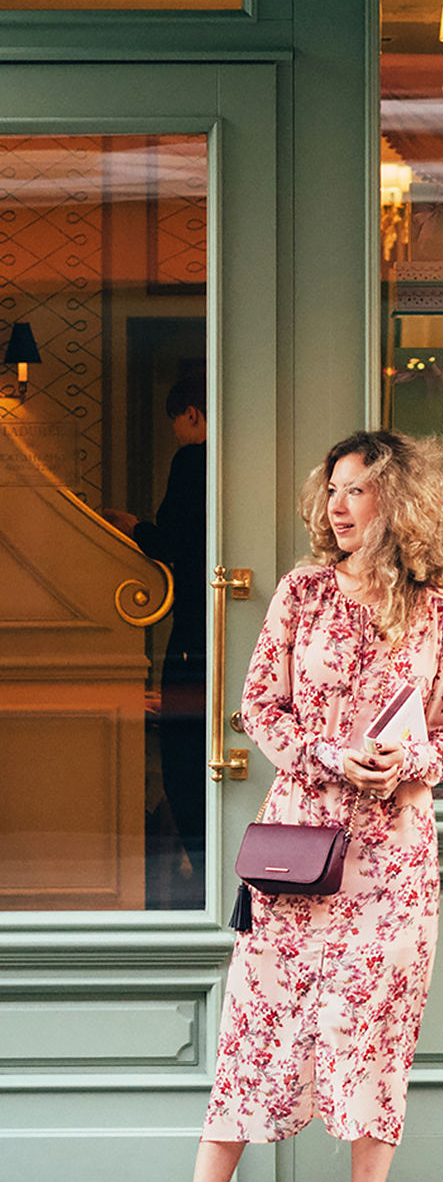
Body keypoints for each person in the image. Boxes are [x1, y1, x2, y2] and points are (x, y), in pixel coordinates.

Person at [169, 430, 443, 1182]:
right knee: (256, 1030)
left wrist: (409, 766)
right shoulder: (301, 595)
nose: (337, 507)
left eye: (357, 491)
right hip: (300, 852)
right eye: (332, 490)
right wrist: (334, 758)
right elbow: (257, 706)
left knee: (374, 1042)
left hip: (395, 861)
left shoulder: (440, 613)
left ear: (399, 504)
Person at [108, 375, 209, 895]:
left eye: (176, 420)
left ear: (191, 414)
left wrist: (132, 528)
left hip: (193, 625)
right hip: (218, 627)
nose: (175, 431)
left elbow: (174, 541)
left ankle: (201, 867)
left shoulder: (194, 460)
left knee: (183, 752)